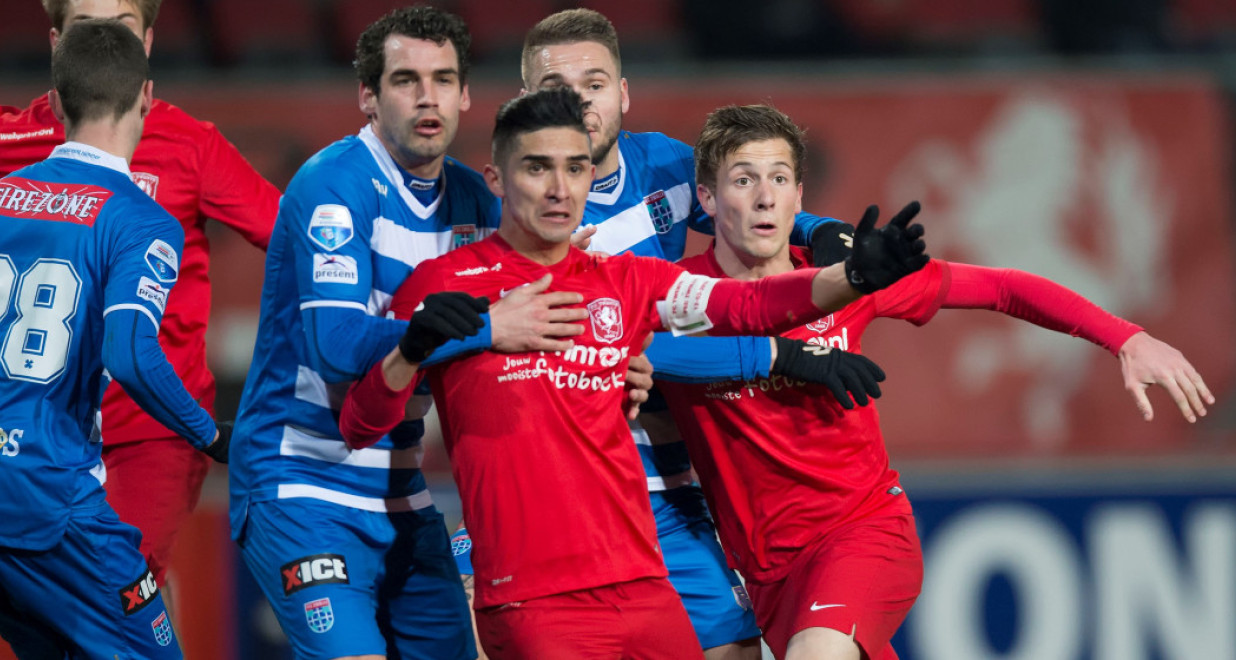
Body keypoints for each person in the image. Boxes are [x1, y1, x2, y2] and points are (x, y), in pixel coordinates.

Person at [337, 87, 931, 660]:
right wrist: (409, 350)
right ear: (495, 180)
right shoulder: (444, 287)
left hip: (645, 593)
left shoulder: (627, 283)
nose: (558, 188)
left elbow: (748, 307)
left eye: (574, 169)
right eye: (536, 168)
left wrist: (850, 278)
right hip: (536, 603)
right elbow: (361, 426)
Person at [653, 104, 1215, 660]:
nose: (764, 197)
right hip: (766, 568)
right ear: (706, 199)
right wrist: (771, 355)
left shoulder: (847, 279)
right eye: (743, 180)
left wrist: (1126, 339)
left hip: (860, 532)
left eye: (778, 179)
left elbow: (1003, 287)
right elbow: (628, 352)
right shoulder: (673, 297)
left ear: (800, 195)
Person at [0, 0, 279, 614]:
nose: (104, 40)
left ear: (150, 42)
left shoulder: (193, 145)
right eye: (86, 28)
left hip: (150, 432)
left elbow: (291, 234)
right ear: (56, 41)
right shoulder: (2, 139)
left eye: (122, 28)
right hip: (35, 439)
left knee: (115, 606)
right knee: (64, 628)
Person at [226, 8, 584, 658]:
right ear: (367, 95)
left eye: (444, 79)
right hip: (302, 480)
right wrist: (482, 326)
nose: (428, 97)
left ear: (466, 94)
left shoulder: (478, 201)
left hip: (401, 485)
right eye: (405, 79)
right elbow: (336, 347)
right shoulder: (333, 188)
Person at [515, 11, 869, 658]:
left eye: (593, 84)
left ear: (622, 93)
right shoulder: (520, 210)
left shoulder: (668, 167)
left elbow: (739, 195)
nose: (578, 104)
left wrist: (819, 231)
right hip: (558, 475)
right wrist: (773, 355)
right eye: (555, 88)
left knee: (734, 649)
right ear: (524, 105)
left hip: (667, 472)